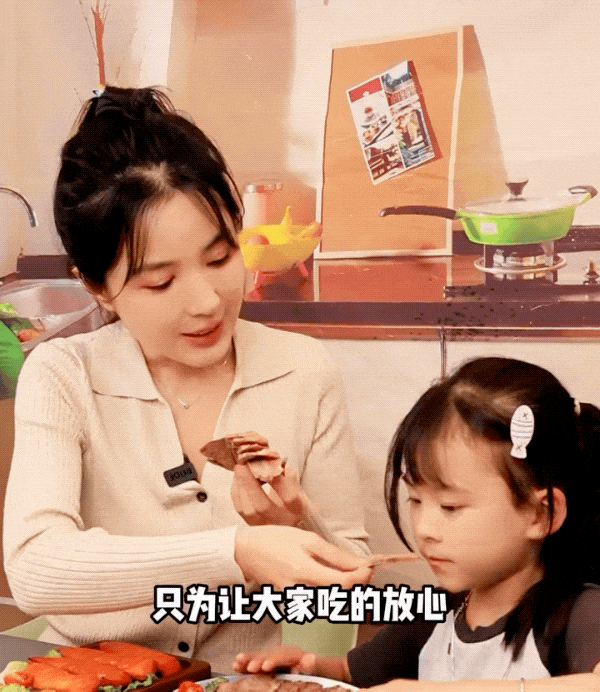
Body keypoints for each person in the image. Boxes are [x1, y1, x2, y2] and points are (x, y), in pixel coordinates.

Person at [2, 86, 372, 672]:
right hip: (90, 678)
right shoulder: (64, 375)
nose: (207, 302)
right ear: (97, 287)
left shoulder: (304, 370)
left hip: (241, 681)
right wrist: (236, 551)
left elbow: (351, 588)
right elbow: (35, 567)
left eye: (220, 258)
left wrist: (296, 524)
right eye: (160, 282)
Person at [234, 357, 600, 688]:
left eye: (450, 506)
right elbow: (351, 672)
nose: (423, 528)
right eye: (416, 500)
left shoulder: (582, 614)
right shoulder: (434, 613)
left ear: (540, 514)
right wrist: (311, 667)